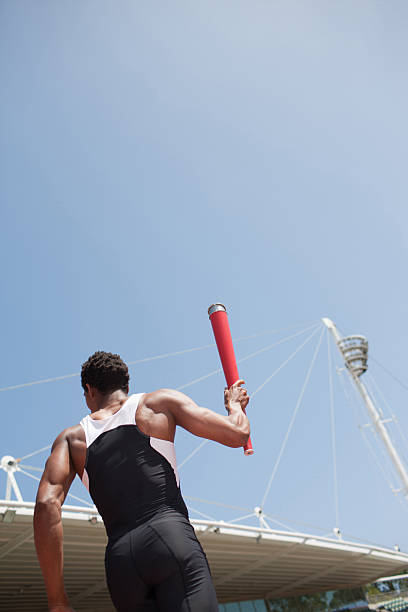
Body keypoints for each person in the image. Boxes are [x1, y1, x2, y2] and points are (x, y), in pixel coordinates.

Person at [34, 350, 250, 612]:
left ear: (89, 390)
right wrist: (234, 406)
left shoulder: (71, 439)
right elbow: (237, 434)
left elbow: (47, 504)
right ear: (126, 384)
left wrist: (57, 601)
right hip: (170, 539)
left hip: (121, 564)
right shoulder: (156, 404)